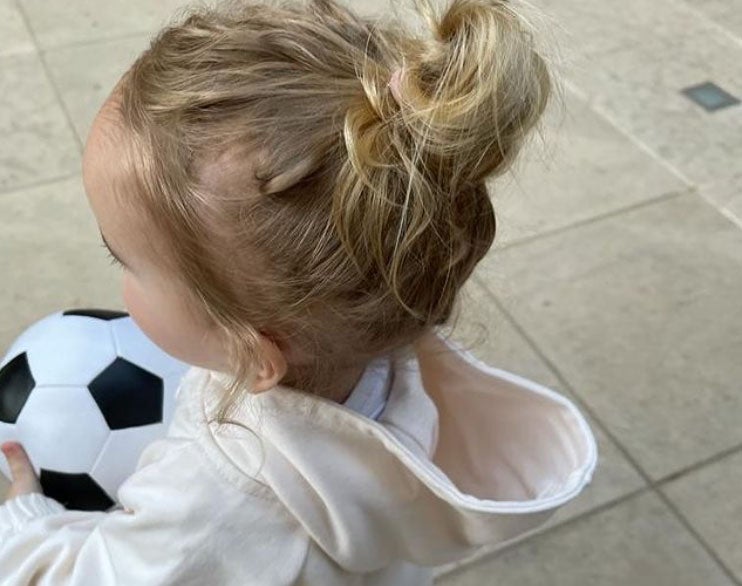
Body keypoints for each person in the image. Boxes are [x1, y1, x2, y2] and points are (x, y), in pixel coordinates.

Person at [0, 0, 597, 583]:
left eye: (124, 260)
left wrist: (25, 522)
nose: (119, 277)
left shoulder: (217, 501)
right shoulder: (371, 329)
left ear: (251, 354)